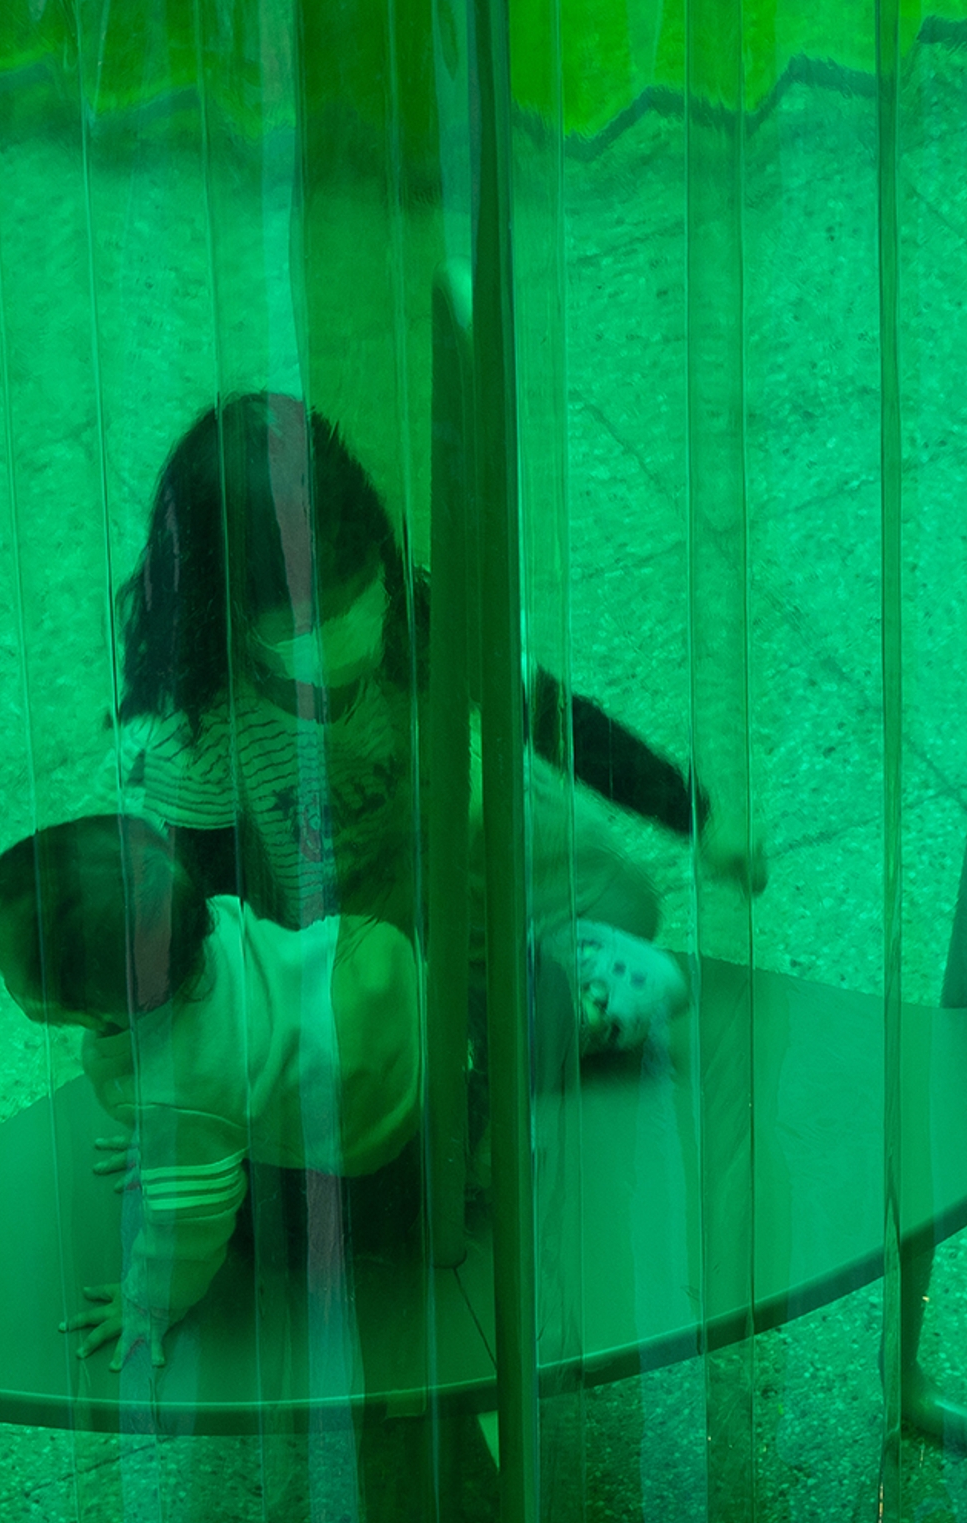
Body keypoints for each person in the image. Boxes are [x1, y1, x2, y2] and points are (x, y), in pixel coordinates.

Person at [101, 391, 749, 1050]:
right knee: (370, 1029)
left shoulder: (417, 618)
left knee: (629, 901)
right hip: (338, 927)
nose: (344, 628)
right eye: (307, 620)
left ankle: (526, 971)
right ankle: (514, 993)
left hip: (448, 853)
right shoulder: (201, 735)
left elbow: (556, 716)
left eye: (357, 590)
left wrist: (696, 816)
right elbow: (215, 917)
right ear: (226, 614)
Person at [0, 809, 422, 1364]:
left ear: (64, 1011)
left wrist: (147, 1303)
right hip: (385, 978)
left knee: (261, 1238)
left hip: (384, 1120)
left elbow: (187, 1228)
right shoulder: (197, 927)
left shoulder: (175, 1093)